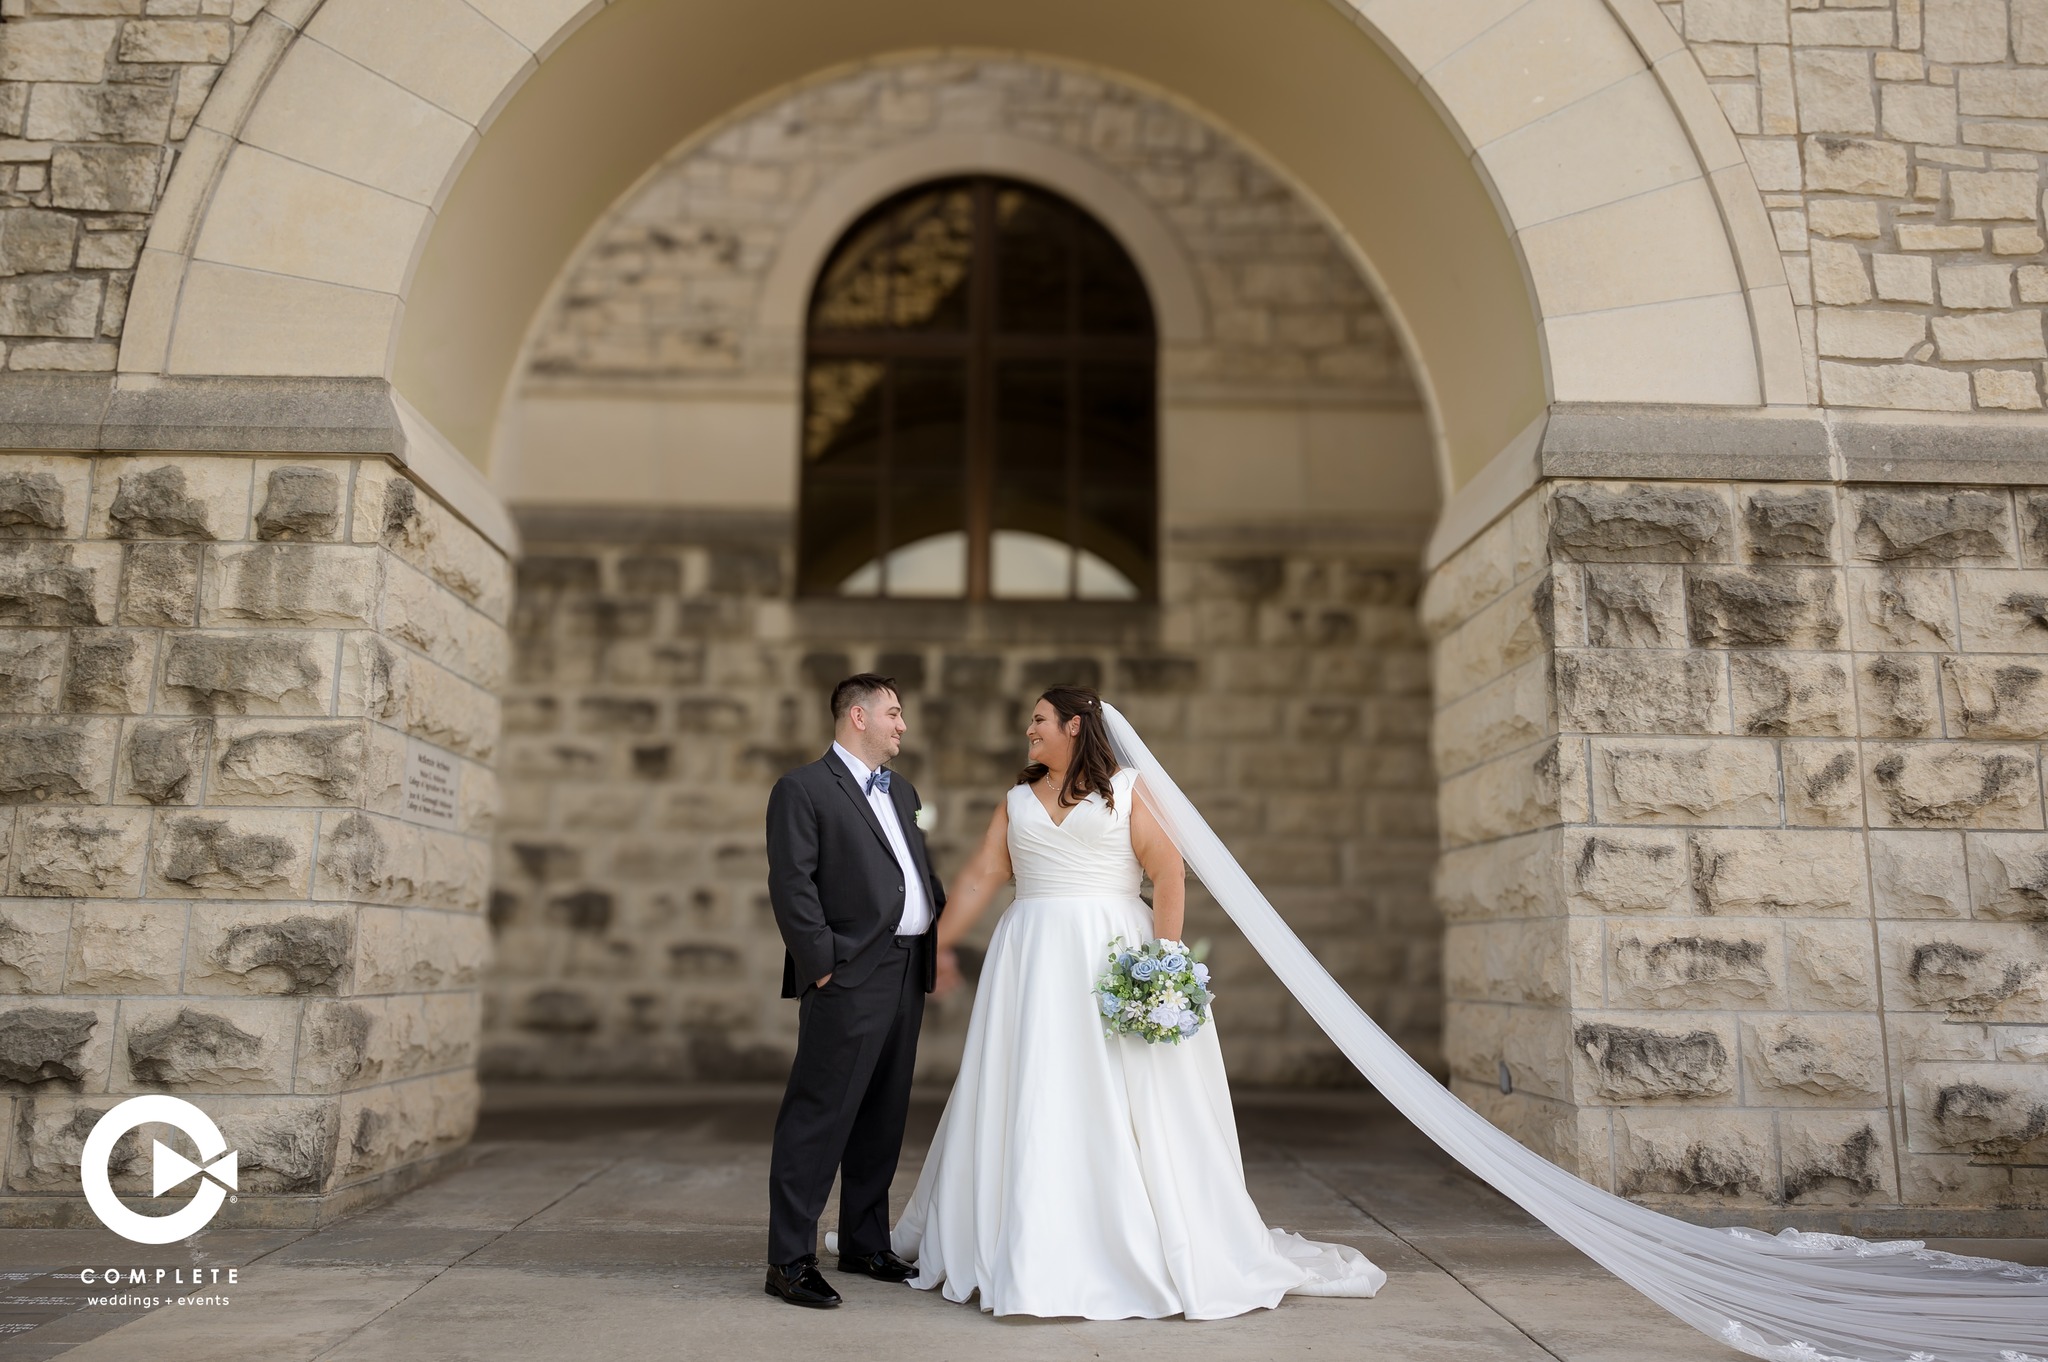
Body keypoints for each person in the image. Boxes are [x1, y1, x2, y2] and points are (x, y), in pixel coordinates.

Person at [890, 685, 1385, 1319]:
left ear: (1074, 725)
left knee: (1122, 1092)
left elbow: (1169, 871)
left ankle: (1129, 1240)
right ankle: (1026, 1234)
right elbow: (982, 875)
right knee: (1033, 1083)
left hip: (1110, 950)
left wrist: (1163, 960)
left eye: (1039, 720)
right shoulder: (1016, 800)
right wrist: (937, 946)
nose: (1028, 730)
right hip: (1032, 954)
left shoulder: (1127, 790)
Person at [762, 674, 945, 1309]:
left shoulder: (903, 791)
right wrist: (822, 966)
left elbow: (910, 870)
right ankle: (789, 1259)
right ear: (858, 717)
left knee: (883, 1115)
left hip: (903, 971)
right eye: (894, 713)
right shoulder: (802, 789)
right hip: (846, 976)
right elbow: (792, 883)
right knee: (819, 1116)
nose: (903, 725)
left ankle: (865, 1241)